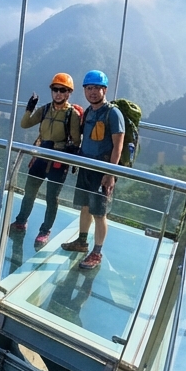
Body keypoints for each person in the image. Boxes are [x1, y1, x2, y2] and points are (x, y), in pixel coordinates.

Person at [61, 69, 125, 270]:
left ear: (105, 90)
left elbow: (118, 146)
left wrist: (110, 173)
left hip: (102, 171)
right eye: (89, 88)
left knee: (99, 213)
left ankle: (96, 253)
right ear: (84, 90)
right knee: (85, 206)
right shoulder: (88, 112)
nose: (93, 92)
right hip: (86, 167)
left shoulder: (113, 113)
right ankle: (81, 242)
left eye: (97, 88)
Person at [9, 72, 81, 248]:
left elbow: (76, 140)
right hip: (40, 155)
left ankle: (45, 231)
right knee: (30, 191)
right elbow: (25, 124)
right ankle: (21, 221)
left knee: (52, 197)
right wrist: (29, 108)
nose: (58, 93)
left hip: (58, 159)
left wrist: (65, 148)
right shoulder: (45, 109)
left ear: (68, 93)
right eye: (55, 89)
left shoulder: (72, 114)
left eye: (62, 90)